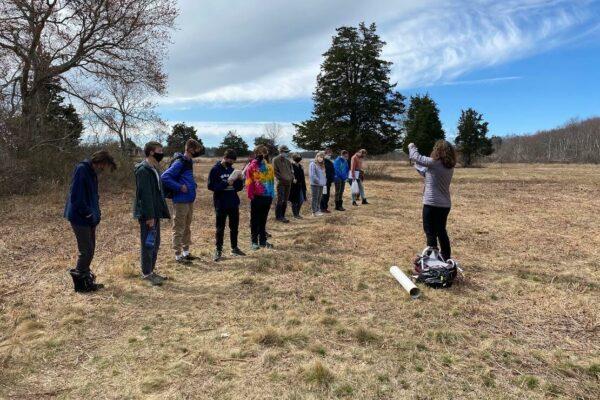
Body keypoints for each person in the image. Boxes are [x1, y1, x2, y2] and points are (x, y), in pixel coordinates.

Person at [64, 150, 116, 292]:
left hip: (89, 218)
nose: (104, 170)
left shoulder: (92, 172)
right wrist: (88, 214)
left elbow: (93, 196)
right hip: (79, 217)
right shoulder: (82, 170)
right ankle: (80, 285)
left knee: (90, 249)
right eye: (105, 167)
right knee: (86, 250)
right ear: (100, 163)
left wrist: (96, 214)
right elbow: (76, 197)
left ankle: (86, 280)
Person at [408, 140, 456, 261]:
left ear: (438, 150)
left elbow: (415, 156)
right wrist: (419, 168)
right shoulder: (449, 166)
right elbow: (431, 176)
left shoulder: (434, 163)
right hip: (445, 205)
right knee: (441, 231)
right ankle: (446, 257)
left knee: (429, 230)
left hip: (431, 203)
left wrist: (411, 146)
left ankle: (432, 256)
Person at [134, 141, 171, 286]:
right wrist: (149, 216)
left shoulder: (154, 168)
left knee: (155, 243)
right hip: (148, 214)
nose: (162, 152)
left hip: (155, 212)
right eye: (159, 150)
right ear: (151, 152)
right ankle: (146, 273)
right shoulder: (143, 170)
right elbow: (145, 195)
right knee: (148, 243)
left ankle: (151, 271)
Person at [160, 139, 203, 264]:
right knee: (179, 227)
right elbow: (165, 177)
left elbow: (185, 177)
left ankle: (186, 252)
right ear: (190, 149)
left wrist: (192, 184)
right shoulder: (180, 162)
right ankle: (178, 256)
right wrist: (179, 187)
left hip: (189, 199)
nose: (197, 152)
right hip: (180, 200)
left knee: (187, 227)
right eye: (196, 150)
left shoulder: (189, 162)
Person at [207, 148, 246, 261]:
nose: (232, 163)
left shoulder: (232, 170)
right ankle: (218, 250)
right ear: (226, 158)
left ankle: (234, 248)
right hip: (221, 203)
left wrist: (240, 180)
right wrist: (225, 183)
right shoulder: (215, 170)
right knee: (220, 228)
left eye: (233, 162)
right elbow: (211, 186)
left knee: (234, 227)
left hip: (233, 202)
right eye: (231, 161)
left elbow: (238, 188)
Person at [245, 145, 275, 250]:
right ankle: (254, 242)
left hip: (267, 197)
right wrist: (250, 195)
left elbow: (271, 182)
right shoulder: (252, 166)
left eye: (264, 153)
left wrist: (272, 194)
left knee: (263, 220)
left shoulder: (270, 167)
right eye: (260, 153)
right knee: (255, 220)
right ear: (256, 154)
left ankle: (262, 241)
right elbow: (249, 182)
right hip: (256, 197)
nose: (262, 155)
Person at [272, 145, 295, 223]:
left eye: (287, 152)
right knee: (280, 199)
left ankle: (283, 216)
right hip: (280, 183)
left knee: (285, 200)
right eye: (285, 152)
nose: (286, 153)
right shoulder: (275, 160)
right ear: (280, 151)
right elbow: (274, 172)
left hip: (288, 183)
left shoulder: (288, 161)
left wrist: (291, 177)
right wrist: (282, 178)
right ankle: (278, 217)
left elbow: (291, 171)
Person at [309, 151, 327, 217]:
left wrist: (324, 181)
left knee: (319, 198)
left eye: (322, 157)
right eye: (320, 157)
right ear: (317, 157)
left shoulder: (322, 165)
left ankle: (318, 209)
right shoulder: (313, 164)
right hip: (315, 184)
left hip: (321, 184)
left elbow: (324, 175)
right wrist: (317, 181)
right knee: (315, 198)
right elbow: (312, 175)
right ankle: (314, 211)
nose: (321, 158)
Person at [289, 153, 307, 219]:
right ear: (294, 158)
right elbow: (290, 174)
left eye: (300, 157)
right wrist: (292, 179)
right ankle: (295, 215)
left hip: (301, 185)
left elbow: (303, 177)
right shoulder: (291, 166)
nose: (299, 158)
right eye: (297, 157)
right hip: (293, 186)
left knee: (301, 200)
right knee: (294, 201)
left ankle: (297, 213)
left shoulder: (300, 166)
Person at [320, 148, 335, 213]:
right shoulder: (321, 162)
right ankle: (322, 208)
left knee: (327, 194)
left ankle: (325, 207)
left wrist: (332, 179)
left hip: (328, 181)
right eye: (328, 153)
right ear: (324, 154)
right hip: (323, 181)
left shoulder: (330, 162)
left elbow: (332, 171)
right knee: (324, 194)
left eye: (330, 154)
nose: (329, 155)